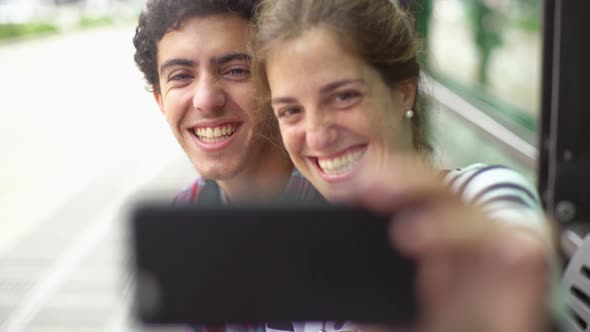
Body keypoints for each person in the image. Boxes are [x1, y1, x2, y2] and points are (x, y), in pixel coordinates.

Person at [252, 0, 561, 331]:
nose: (317, 135)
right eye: (291, 111)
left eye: (344, 96)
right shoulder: (296, 256)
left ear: (403, 92)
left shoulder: (482, 192)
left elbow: (514, 253)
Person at [132, 0, 322, 207]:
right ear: (159, 99)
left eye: (236, 71)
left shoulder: (345, 206)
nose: (206, 100)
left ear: (280, 85)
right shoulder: (181, 217)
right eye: (181, 76)